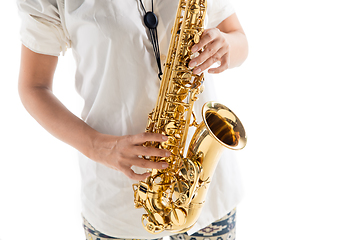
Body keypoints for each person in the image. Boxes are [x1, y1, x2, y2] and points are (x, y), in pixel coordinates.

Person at [17, 0, 248, 239]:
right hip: (118, 199)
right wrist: (95, 146)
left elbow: (239, 39)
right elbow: (33, 87)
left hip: (205, 187)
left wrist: (226, 44)